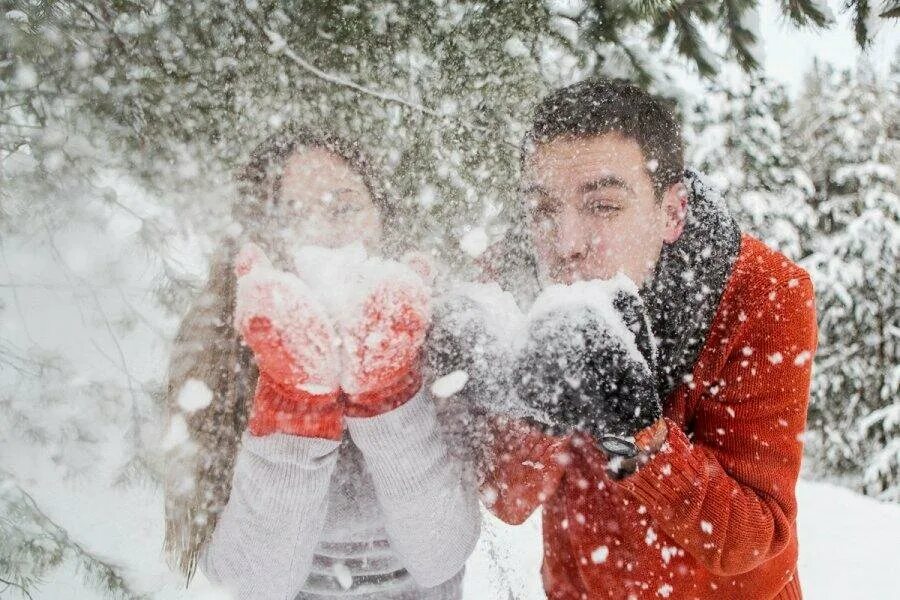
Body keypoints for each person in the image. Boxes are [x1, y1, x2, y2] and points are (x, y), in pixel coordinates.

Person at [479, 78, 818, 599]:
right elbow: (509, 499)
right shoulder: (512, 288)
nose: (565, 244)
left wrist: (641, 436)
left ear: (672, 212)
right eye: (545, 209)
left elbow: (753, 539)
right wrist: (537, 415)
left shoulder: (762, 295)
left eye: (604, 206)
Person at [163, 127, 480, 600]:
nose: (323, 234)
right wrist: (293, 403)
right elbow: (248, 582)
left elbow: (442, 554)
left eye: (345, 207)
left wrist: (389, 392)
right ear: (260, 239)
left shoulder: (434, 327)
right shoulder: (217, 342)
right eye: (293, 216)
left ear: (382, 217)